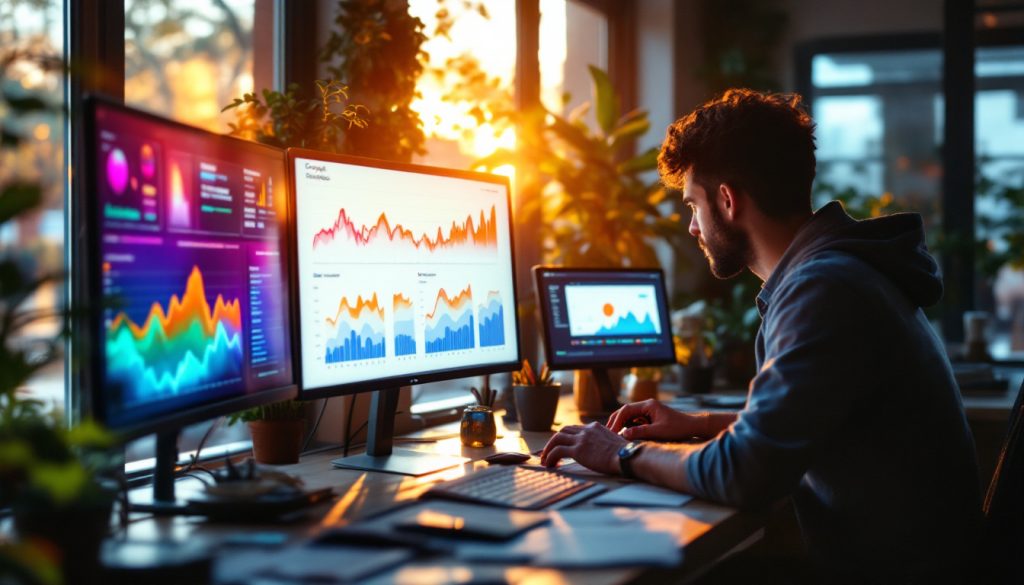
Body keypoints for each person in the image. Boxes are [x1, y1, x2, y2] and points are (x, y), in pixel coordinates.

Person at [540, 89, 981, 582]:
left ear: (727, 200)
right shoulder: (843, 272)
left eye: (692, 206)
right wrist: (698, 422)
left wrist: (620, 454)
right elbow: (816, 419)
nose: (691, 228)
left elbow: (746, 472)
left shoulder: (823, 288)